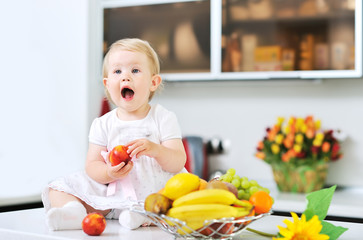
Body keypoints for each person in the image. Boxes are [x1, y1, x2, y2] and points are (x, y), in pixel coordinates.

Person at [42, 38, 187, 230]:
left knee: (188, 189)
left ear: (153, 82)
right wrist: (108, 172)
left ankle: (142, 215)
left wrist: (156, 150)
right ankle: (74, 212)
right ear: (107, 84)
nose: (125, 77)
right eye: (117, 71)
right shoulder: (103, 123)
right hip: (112, 196)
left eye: (135, 70)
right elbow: (92, 166)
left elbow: (178, 161)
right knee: (58, 188)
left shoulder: (163, 117)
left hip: (154, 192)